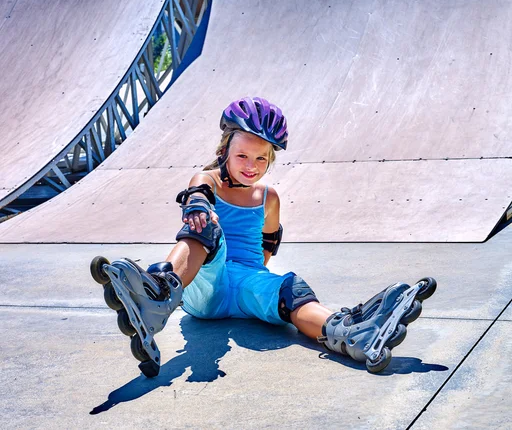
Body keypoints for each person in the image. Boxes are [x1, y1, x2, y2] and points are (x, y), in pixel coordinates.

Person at [93, 96, 436, 378]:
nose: (250, 165)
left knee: (290, 289)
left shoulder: (268, 198)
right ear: (225, 150)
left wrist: (260, 285)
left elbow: (267, 248)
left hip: (245, 287)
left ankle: (350, 334)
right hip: (204, 287)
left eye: (261, 158)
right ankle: (159, 294)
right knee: (205, 224)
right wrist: (197, 205)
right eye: (242, 155)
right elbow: (197, 194)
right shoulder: (207, 179)